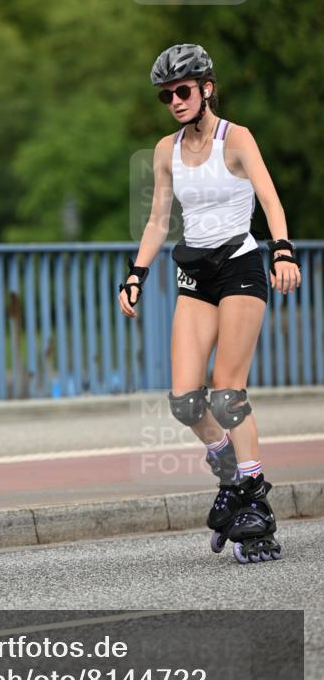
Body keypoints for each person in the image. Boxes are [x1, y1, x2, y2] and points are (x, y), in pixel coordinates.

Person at [117, 43, 301, 563]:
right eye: (166, 95)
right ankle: (232, 477)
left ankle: (254, 498)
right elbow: (157, 221)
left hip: (240, 268)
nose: (174, 100)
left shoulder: (236, 138)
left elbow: (270, 198)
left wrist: (283, 251)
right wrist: (136, 275)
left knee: (226, 394)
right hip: (194, 273)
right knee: (185, 402)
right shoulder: (165, 150)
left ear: (206, 89)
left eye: (183, 90)